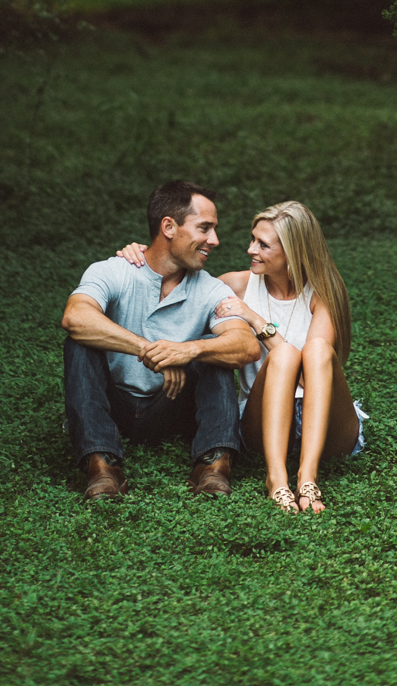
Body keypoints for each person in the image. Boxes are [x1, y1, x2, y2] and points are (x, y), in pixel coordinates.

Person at [117, 199, 367, 514]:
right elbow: (173, 283)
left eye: (263, 245)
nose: (250, 249)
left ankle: (307, 477)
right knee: (286, 354)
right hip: (263, 418)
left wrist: (256, 320)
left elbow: (310, 376)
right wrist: (142, 253)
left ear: (293, 252)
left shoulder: (321, 295)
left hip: (325, 420)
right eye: (253, 239)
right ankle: (277, 479)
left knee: (315, 350)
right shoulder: (235, 285)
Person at [61, 180, 259, 500]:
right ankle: (102, 465)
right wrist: (152, 352)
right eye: (204, 228)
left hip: (173, 405)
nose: (215, 240)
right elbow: (76, 317)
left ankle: (214, 464)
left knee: (219, 350)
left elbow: (247, 346)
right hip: (113, 405)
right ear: (169, 226)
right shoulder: (114, 271)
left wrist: (189, 350)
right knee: (79, 342)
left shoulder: (210, 289)